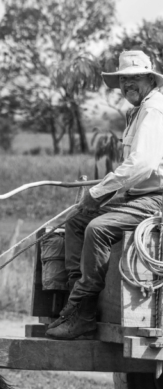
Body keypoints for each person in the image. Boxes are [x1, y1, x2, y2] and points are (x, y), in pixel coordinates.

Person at [47, 49, 163, 340]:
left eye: (134, 78)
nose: (127, 86)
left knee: (97, 229)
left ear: (150, 79)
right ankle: (76, 304)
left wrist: (99, 192)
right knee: (76, 221)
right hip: (139, 195)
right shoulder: (137, 112)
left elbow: (142, 164)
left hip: (157, 198)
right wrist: (103, 193)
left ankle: (83, 313)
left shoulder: (153, 111)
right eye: (123, 80)